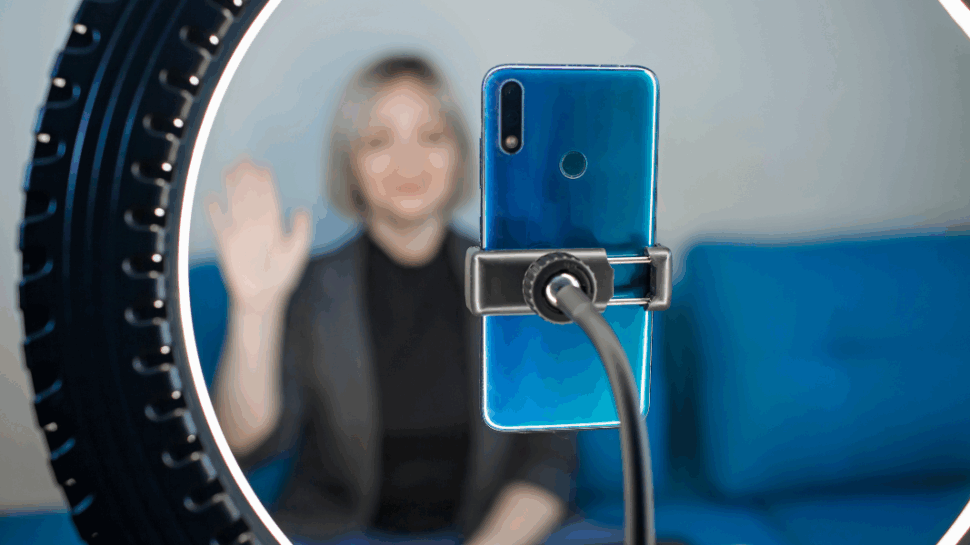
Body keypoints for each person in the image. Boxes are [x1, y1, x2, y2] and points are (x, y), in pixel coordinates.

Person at [207, 54, 577, 545]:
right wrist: (255, 307)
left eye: (431, 136)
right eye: (379, 141)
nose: (409, 162)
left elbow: (548, 460)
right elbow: (243, 446)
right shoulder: (314, 287)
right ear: (350, 163)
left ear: (462, 154)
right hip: (339, 533)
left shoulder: (518, 281)